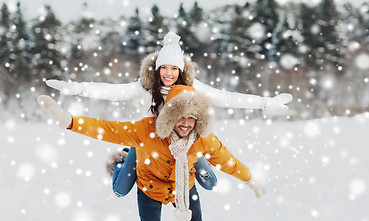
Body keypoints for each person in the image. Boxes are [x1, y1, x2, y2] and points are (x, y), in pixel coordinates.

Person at [45, 31, 291, 197]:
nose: (169, 73)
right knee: (120, 190)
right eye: (165, 67)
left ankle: (184, 171)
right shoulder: (144, 88)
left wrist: (266, 103)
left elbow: (227, 98)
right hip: (147, 142)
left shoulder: (193, 88)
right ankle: (123, 160)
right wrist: (77, 88)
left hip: (186, 143)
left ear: (181, 70)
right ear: (158, 67)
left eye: (174, 68)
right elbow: (112, 92)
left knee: (211, 183)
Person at [38, 85, 266, 221]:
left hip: (184, 185)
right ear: (169, 115)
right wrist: (69, 121)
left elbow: (228, 160)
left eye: (192, 118)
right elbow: (108, 129)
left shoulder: (203, 138)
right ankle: (124, 162)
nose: (186, 123)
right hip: (149, 186)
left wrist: (250, 179)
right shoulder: (147, 130)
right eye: (181, 116)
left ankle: (198, 163)